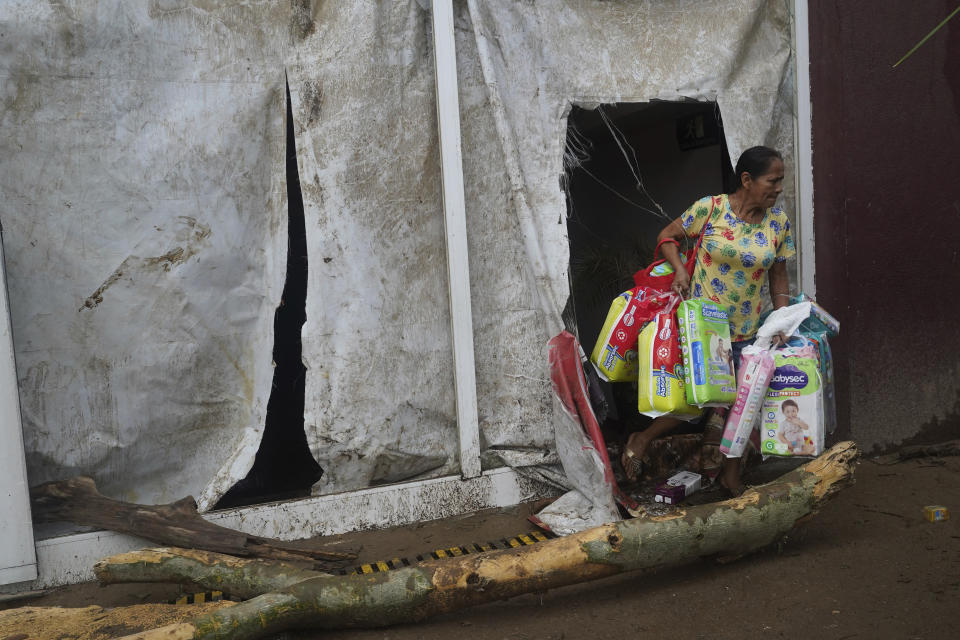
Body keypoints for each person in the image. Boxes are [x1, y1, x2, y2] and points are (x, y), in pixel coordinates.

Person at [621, 145, 796, 495]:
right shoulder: (711, 208)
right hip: (704, 326)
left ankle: (730, 473)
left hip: (749, 330)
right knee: (696, 399)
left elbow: (778, 276)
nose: (778, 188)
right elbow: (666, 236)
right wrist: (681, 270)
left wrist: (780, 318)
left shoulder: (778, 223)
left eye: (781, 182)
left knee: (740, 404)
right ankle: (643, 436)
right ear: (746, 180)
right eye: (772, 181)